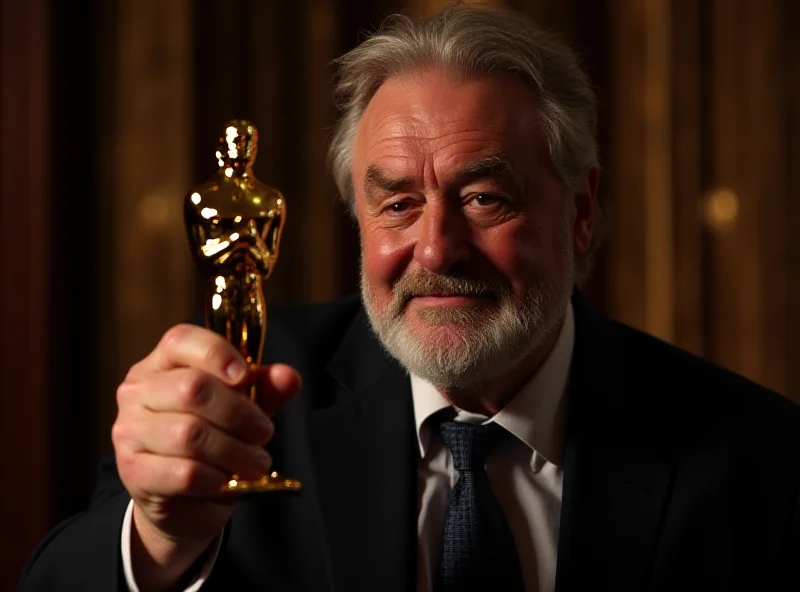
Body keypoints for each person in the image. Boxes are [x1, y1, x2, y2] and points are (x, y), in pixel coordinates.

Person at [20, 4, 800, 592]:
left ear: (582, 210)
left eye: (486, 198)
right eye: (396, 203)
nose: (435, 249)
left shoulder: (756, 456)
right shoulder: (242, 399)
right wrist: (156, 540)